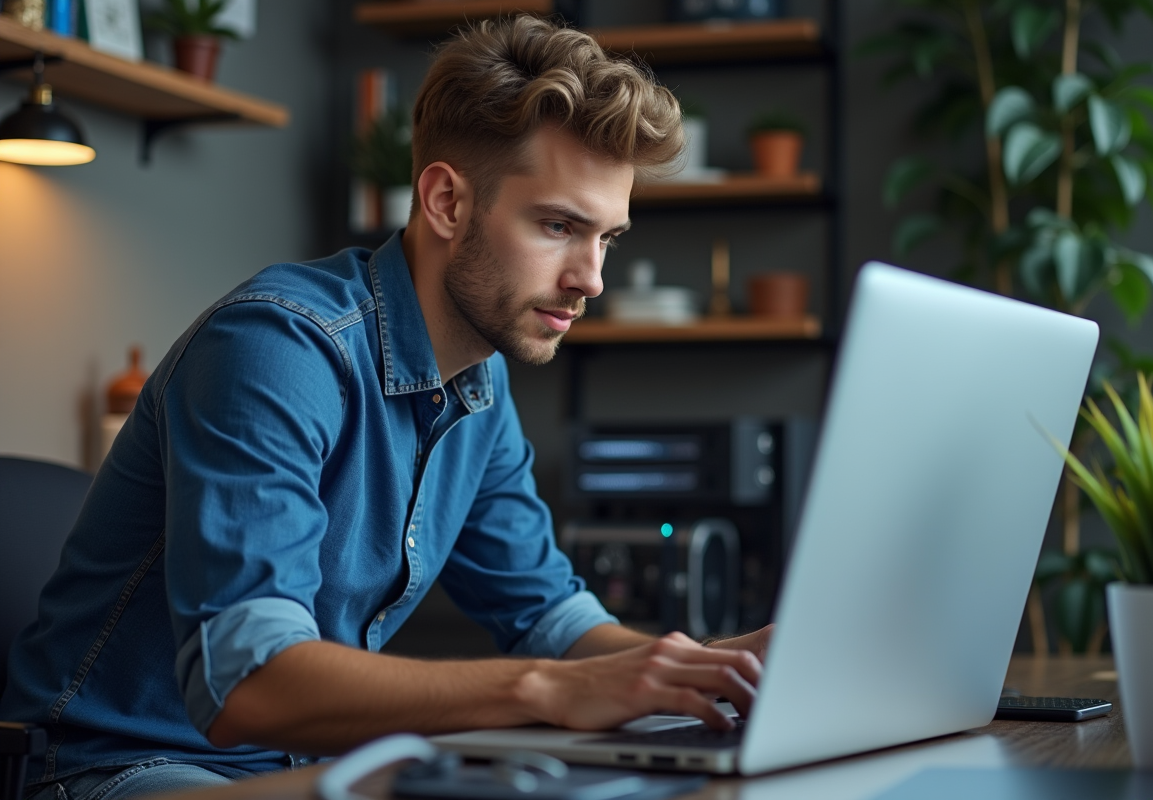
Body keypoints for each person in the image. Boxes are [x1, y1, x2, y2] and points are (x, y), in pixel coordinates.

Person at [1, 15, 771, 800]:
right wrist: (547, 690)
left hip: (305, 772)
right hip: (117, 771)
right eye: (558, 226)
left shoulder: (479, 382)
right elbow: (250, 683)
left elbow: (551, 620)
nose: (591, 278)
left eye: (607, 238)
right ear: (445, 201)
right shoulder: (277, 348)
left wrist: (717, 668)